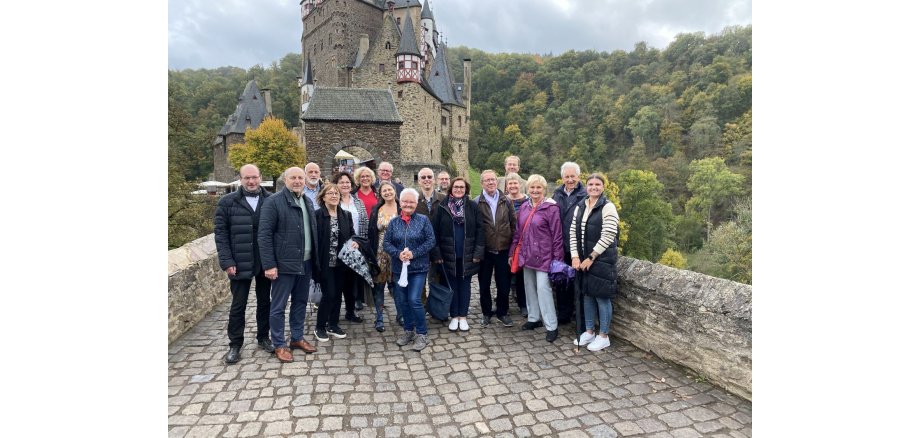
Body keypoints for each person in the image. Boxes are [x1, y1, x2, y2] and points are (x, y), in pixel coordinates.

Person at [258, 167, 320, 363]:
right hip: (284, 264)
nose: (297, 181)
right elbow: (264, 235)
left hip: (306, 262)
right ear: (285, 180)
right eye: (293, 177)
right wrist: (269, 264)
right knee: (278, 306)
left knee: (301, 302)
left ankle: (297, 337)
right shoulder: (273, 202)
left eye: (300, 177)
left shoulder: (307, 201)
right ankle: (279, 344)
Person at [214, 164, 274, 364]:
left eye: (254, 177)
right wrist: (227, 261)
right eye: (247, 178)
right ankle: (235, 344)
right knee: (238, 305)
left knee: (265, 302)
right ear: (240, 179)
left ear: (260, 177)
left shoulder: (271, 200)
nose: (251, 181)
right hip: (238, 262)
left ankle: (263, 337)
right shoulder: (227, 202)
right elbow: (221, 235)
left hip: (265, 261)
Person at [509, 174, 564, 342]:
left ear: (544, 190)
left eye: (538, 187)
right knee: (529, 287)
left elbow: (557, 235)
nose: (535, 190)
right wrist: (512, 252)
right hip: (527, 254)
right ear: (528, 189)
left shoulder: (551, 208)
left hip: (545, 256)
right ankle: (534, 318)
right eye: (532, 187)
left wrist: (558, 259)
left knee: (543, 289)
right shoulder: (525, 207)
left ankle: (551, 325)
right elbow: (518, 233)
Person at [570, 173, 620, 352]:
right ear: (586, 187)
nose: (593, 187)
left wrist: (591, 257)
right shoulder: (580, 206)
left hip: (602, 260)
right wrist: (575, 256)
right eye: (590, 184)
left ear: (603, 187)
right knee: (587, 294)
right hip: (583, 260)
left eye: (597, 184)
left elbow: (608, 235)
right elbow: (573, 232)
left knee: (602, 297)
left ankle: (603, 336)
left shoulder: (608, 207)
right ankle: (589, 331)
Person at [383, 188, 437, 351]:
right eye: (405, 201)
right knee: (403, 301)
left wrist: (413, 253)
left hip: (418, 268)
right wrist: (398, 253)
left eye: (411, 202)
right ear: (400, 202)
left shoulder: (423, 220)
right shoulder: (394, 223)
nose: (408, 204)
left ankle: (421, 333)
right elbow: (386, 243)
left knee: (414, 299)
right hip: (400, 269)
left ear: (415, 204)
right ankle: (408, 330)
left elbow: (430, 241)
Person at [431, 177, 484, 333]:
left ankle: (463, 316)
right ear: (451, 189)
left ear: (466, 189)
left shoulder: (473, 207)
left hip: (467, 253)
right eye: (456, 187)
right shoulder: (442, 207)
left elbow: (480, 230)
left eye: (462, 187)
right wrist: (437, 253)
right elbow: (435, 232)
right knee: (452, 285)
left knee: (465, 285)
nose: (459, 189)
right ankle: (454, 316)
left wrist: (478, 253)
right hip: (448, 254)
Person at [312, 183, 360, 342]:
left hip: (342, 263)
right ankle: (320, 326)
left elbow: (352, 235)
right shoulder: (317, 216)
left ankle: (333, 324)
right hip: (325, 262)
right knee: (329, 294)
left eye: (336, 193)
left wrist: (354, 242)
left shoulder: (345, 215)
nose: (334, 196)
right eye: (330, 193)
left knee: (338, 294)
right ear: (323, 197)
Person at [473, 170, 516, 328]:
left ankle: (502, 312)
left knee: (503, 284)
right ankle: (486, 313)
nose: (490, 182)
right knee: (484, 284)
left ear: (497, 181)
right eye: (487, 180)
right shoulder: (476, 202)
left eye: (493, 179)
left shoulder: (506, 201)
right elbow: (475, 228)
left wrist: (512, 247)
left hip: (504, 249)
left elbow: (513, 224)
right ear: (482, 183)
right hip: (485, 251)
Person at [551, 162, 586, 327]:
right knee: (562, 282)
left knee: (579, 284)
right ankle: (563, 315)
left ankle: (579, 319)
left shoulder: (585, 195)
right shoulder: (556, 194)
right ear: (562, 178)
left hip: (578, 248)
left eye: (573, 176)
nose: (570, 180)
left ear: (578, 177)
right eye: (567, 176)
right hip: (560, 246)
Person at [335, 171, 369, 316]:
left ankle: (351, 308)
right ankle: (334, 312)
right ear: (336, 184)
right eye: (341, 182)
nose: (345, 184)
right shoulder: (333, 200)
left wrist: (361, 242)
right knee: (338, 280)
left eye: (347, 182)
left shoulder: (358, 201)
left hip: (356, 244)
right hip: (337, 246)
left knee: (353, 278)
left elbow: (365, 222)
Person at [368, 181, 399, 332]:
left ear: (394, 191)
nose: (387, 192)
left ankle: (401, 314)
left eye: (389, 189)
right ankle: (379, 318)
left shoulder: (401, 207)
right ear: (381, 194)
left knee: (399, 286)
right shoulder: (377, 209)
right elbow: (371, 232)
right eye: (384, 191)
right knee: (379, 286)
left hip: (398, 253)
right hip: (380, 253)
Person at [505, 172, 529, 317]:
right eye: (510, 183)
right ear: (507, 186)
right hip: (506, 241)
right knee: (504, 276)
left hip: (522, 242)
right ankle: (503, 305)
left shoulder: (527, 201)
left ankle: (523, 304)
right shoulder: (503, 200)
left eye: (515, 183)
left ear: (520, 184)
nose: (513, 186)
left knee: (521, 275)